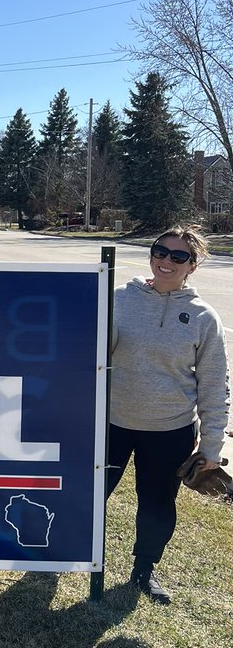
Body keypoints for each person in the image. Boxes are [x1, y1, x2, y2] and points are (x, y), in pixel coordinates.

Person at [107, 225, 229, 604]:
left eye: (179, 257)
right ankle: (64, 554)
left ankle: (144, 568)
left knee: (157, 503)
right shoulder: (115, 300)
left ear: (192, 266)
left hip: (169, 430)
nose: (166, 261)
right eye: (161, 251)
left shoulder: (203, 318)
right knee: (90, 496)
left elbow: (213, 386)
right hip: (110, 424)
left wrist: (211, 446)